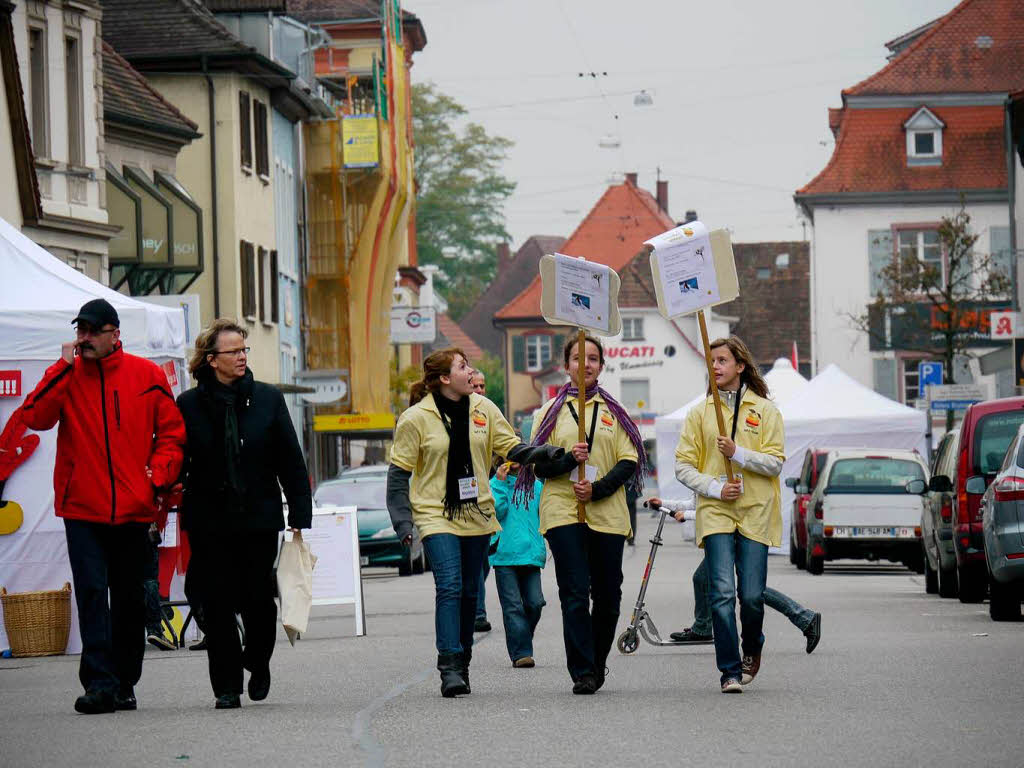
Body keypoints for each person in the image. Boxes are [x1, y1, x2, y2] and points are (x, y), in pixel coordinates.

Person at [21, 298, 186, 714]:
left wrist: (157, 477)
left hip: (133, 509)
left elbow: (171, 434)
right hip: (83, 509)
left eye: (94, 331)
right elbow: (34, 418)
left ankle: (125, 681)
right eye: (81, 330)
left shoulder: (146, 375)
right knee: (92, 593)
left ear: (115, 334)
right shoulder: (66, 376)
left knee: (129, 600)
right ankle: (99, 683)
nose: (86, 338)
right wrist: (60, 369)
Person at [386, 348, 564, 697]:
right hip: (435, 512)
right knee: (450, 586)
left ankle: (463, 656)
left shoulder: (485, 409)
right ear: (444, 379)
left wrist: (545, 453)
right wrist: (403, 522)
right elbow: (398, 477)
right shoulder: (415, 418)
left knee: (470, 591)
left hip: (478, 513)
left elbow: (511, 447)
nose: (471, 373)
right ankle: (449, 665)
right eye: (463, 367)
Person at [176, 319, 312, 710]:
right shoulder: (188, 405)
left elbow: (289, 457)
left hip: (258, 517)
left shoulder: (268, 399)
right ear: (211, 359)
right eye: (233, 351)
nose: (241, 357)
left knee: (257, 601)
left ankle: (258, 660)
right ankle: (226, 685)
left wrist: (300, 509)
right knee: (216, 602)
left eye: (243, 350)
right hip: (209, 519)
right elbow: (178, 459)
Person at [514, 335, 649, 695]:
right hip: (563, 511)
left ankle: (597, 659)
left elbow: (629, 461)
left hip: (606, 512)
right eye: (577, 358)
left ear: (601, 366)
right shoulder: (548, 412)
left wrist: (598, 488)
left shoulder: (614, 411)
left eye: (592, 358)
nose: (585, 364)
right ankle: (583, 671)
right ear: (566, 365)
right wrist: (566, 459)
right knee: (573, 591)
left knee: (608, 594)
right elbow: (537, 466)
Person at [675, 335, 784, 693]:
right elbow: (683, 466)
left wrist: (738, 454)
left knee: (751, 596)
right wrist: (715, 487)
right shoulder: (700, 412)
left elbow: (775, 463)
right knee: (721, 593)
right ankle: (730, 671)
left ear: (740, 365)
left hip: (755, 512)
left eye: (722, 360)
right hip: (717, 512)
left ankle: (753, 645)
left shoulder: (765, 411)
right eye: (711, 362)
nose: (716, 367)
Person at [645, 496, 822, 653]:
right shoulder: (697, 471)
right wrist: (664, 503)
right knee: (708, 580)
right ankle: (703, 628)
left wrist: (687, 515)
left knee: (749, 589)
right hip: (725, 535)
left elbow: (720, 509)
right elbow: (696, 503)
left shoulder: (711, 468)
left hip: (735, 534)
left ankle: (804, 618)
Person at [489, 460, 546, 667]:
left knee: (535, 603)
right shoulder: (495, 484)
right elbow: (496, 511)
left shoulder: (537, 486)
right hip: (504, 555)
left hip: (531, 555)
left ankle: (521, 637)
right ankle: (521, 652)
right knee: (513, 607)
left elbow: (545, 515)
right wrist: (500, 483)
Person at [469, 369, 492, 632]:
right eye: (475, 385)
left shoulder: (488, 414)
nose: (479, 390)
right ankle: (478, 613)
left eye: (482, 385)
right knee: (475, 562)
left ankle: (473, 597)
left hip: (487, 499)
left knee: (483, 562)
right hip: (463, 501)